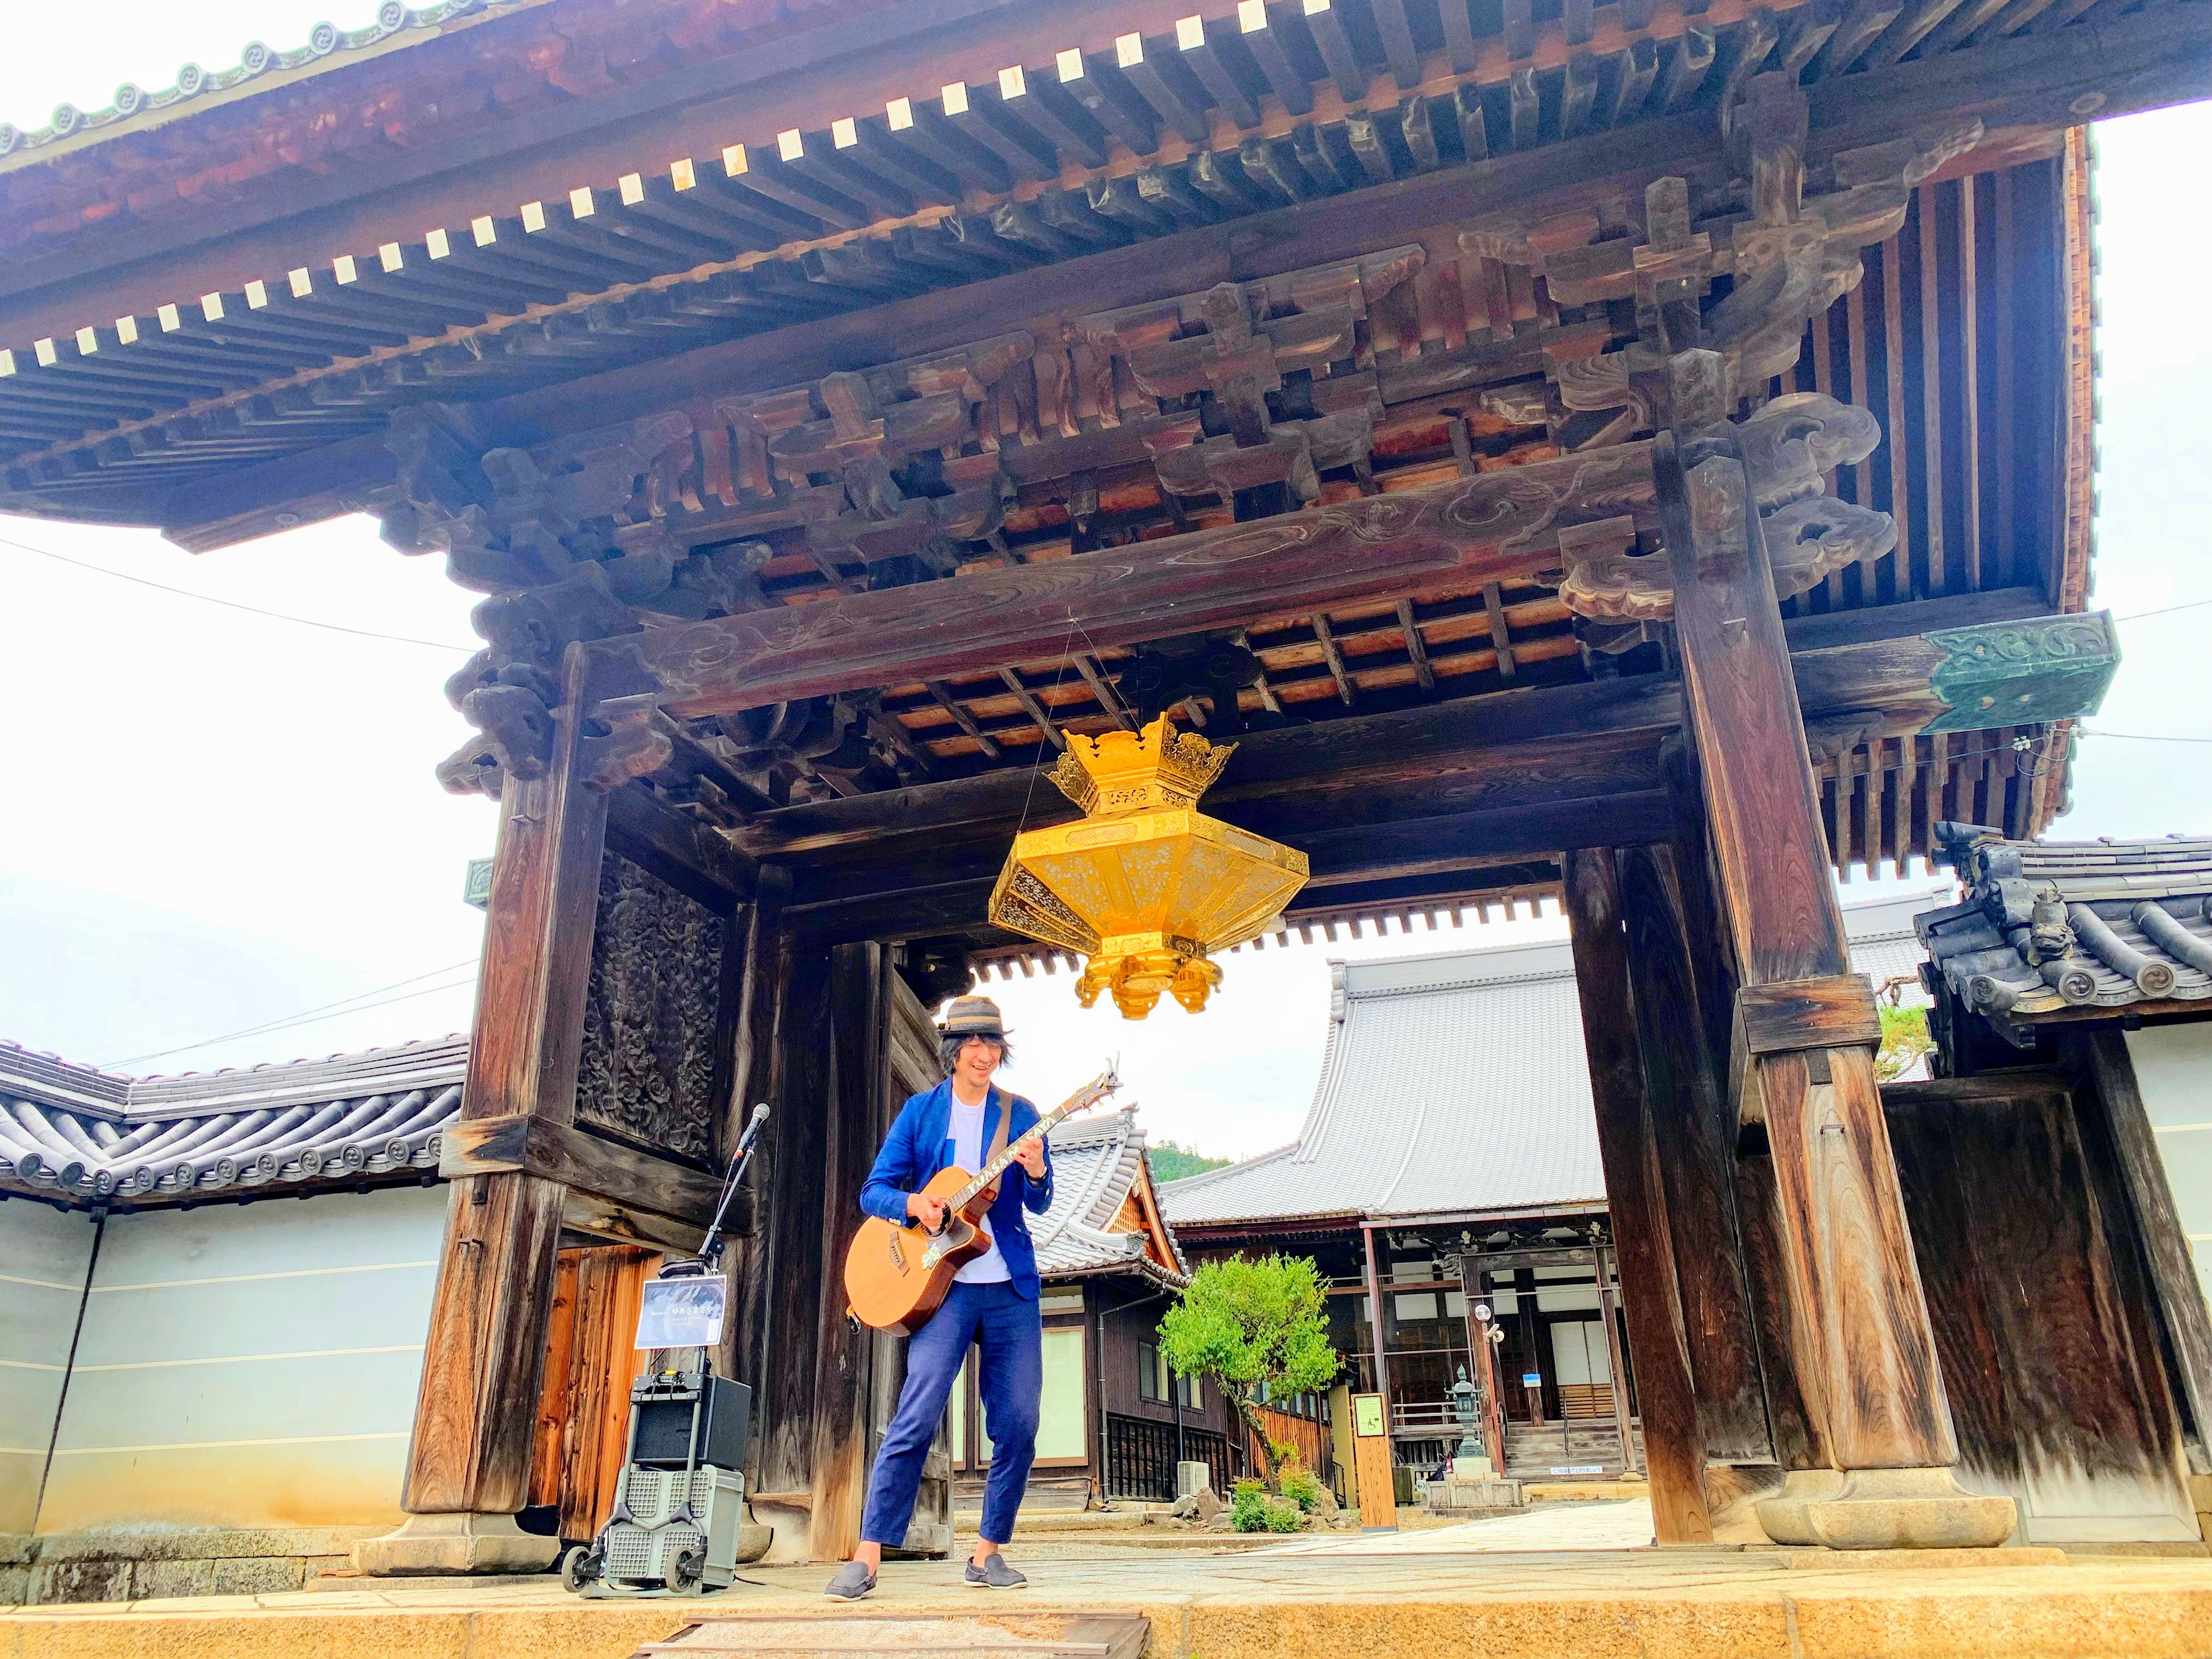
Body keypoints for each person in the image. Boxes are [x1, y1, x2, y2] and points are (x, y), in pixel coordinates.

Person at [823, 996, 1054, 1600]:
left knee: (1019, 1422)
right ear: (953, 1051)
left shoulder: (1022, 1113)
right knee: (916, 1415)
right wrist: (916, 1205)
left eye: (992, 1043)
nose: (983, 1054)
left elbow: (1040, 1202)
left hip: (1008, 1287)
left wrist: (1035, 1172)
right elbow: (874, 1191)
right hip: (940, 1286)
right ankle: (867, 1556)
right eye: (972, 1043)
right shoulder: (921, 1112)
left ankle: (988, 1552)